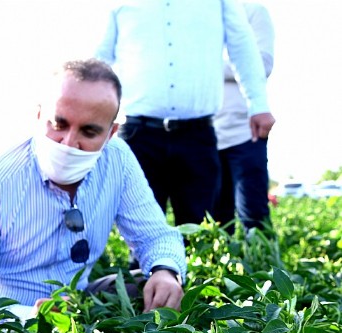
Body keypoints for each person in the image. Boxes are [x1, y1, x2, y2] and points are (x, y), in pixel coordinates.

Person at [0, 59, 186, 321]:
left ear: (111, 133)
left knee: (155, 288)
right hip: (10, 313)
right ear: (38, 115)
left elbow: (156, 236)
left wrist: (166, 271)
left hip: (78, 302)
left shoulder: (118, 160)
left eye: (89, 132)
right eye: (59, 124)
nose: (69, 143)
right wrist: (31, 316)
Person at [95, 0, 276, 227]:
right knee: (140, 229)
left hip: (197, 136)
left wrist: (258, 104)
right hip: (139, 135)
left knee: (199, 229)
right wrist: (92, 115)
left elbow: (242, 46)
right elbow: (99, 58)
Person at [213, 2, 275, 234]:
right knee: (215, 221)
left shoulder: (253, 11)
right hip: (208, 134)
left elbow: (262, 64)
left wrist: (207, 68)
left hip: (245, 131)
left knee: (253, 216)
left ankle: (265, 269)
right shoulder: (200, 18)